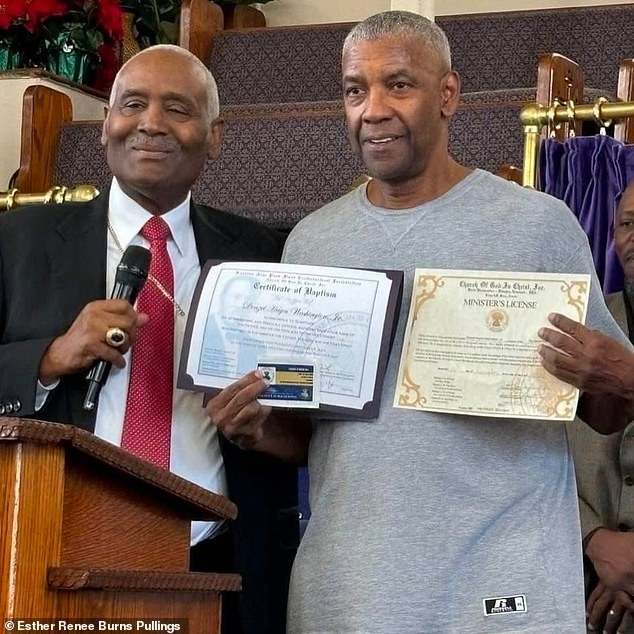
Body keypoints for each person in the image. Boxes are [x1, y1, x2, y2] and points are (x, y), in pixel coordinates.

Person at [207, 12, 634, 633]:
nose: (373, 109)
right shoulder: (312, 242)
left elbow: (604, 411)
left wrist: (616, 371)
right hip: (349, 589)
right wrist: (257, 430)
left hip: (505, 585)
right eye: (356, 89)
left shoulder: (538, 225)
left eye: (399, 85)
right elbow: (313, 434)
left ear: (448, 95)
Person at [0, 45, 297, 634]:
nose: (151, 123)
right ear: (107, 124)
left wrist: (263, 427)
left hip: (220, 559)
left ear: (214, 137)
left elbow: (306, 421)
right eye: (132, 104)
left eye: (177, 108)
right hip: (54, 551)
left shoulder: (267, 255)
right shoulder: (17, 241)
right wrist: (50, 358)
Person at [566, 182, 634, 634]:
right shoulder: (581, 334)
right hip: (581, 584)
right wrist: (595, 540)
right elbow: (540, 450)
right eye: (628, 224)